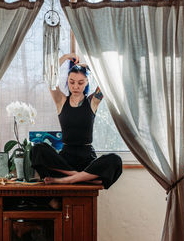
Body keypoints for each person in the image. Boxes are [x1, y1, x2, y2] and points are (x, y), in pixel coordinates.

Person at [30, 53, 122, 189]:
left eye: (80, 82)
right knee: (37, 150)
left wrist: (88, 67)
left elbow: (107, 79)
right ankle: (81, 177)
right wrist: (65, 57)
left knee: (115, 160)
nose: (76, 86)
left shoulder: (92, 101)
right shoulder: (61, 101)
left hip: (87, 158)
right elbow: (49, 77)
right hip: (65, 159)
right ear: (67, 81)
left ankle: (67, 180)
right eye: (72, 82)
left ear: (86, 83)